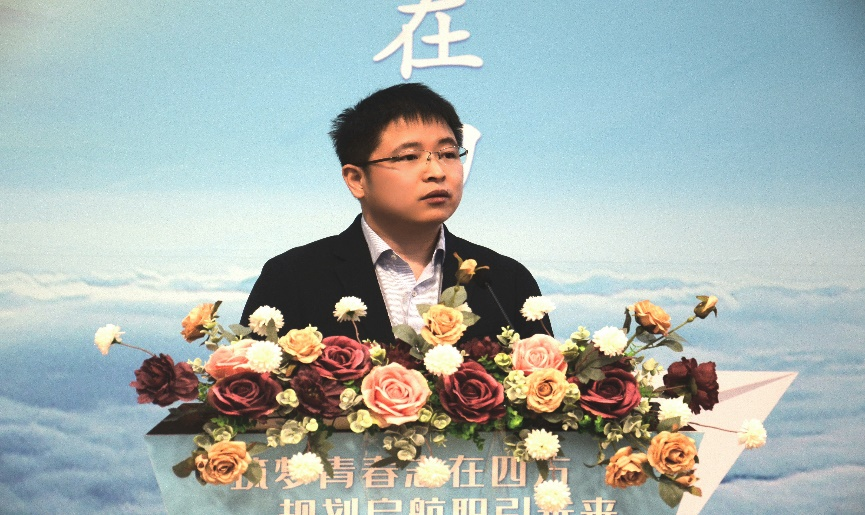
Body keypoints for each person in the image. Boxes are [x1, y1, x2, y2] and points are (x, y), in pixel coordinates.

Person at [241, 83, 549, 343]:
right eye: (410, 156)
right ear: (357, 179)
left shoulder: (503, 281)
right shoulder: (293, 278)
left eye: (448, 154)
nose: (437, 171)